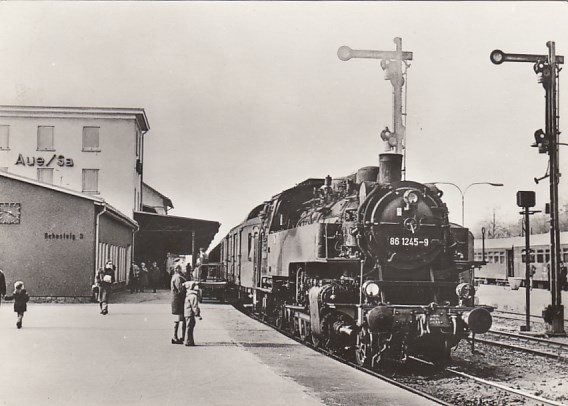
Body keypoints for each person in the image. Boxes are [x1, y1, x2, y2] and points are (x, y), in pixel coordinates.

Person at [170, 265, 187, 344]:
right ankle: (179, 337)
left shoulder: (175, 276)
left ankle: (177, 337)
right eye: (179, 268)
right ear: (176, 269)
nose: (180, 269)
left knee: (178, 319)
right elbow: (180, 290)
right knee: (181, 319)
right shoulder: (177, 277)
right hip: (179, 300)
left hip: (176, 300)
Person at [183, 280, 202, 346]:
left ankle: (189, 341)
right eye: (195, 286)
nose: (197, 287)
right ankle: (188, 341)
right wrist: (198, 314)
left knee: (189, 327)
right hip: (190, 314)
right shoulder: (193, 296)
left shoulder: (189, 294)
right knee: (190, 327)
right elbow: (194, 306)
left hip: (187, 313)